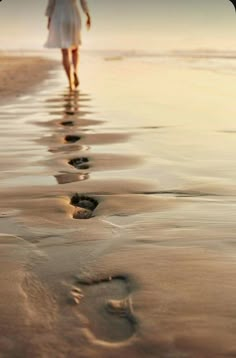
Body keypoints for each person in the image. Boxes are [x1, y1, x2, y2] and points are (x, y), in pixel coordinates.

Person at [45, 0, 91, 90]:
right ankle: (75, 72)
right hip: (73, 14)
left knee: (65, 51)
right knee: (75, 49)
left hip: (59, 16)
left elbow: (51, 4)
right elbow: (83, 2)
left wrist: (49, 20)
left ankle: (70, 82)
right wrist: (88, 15)